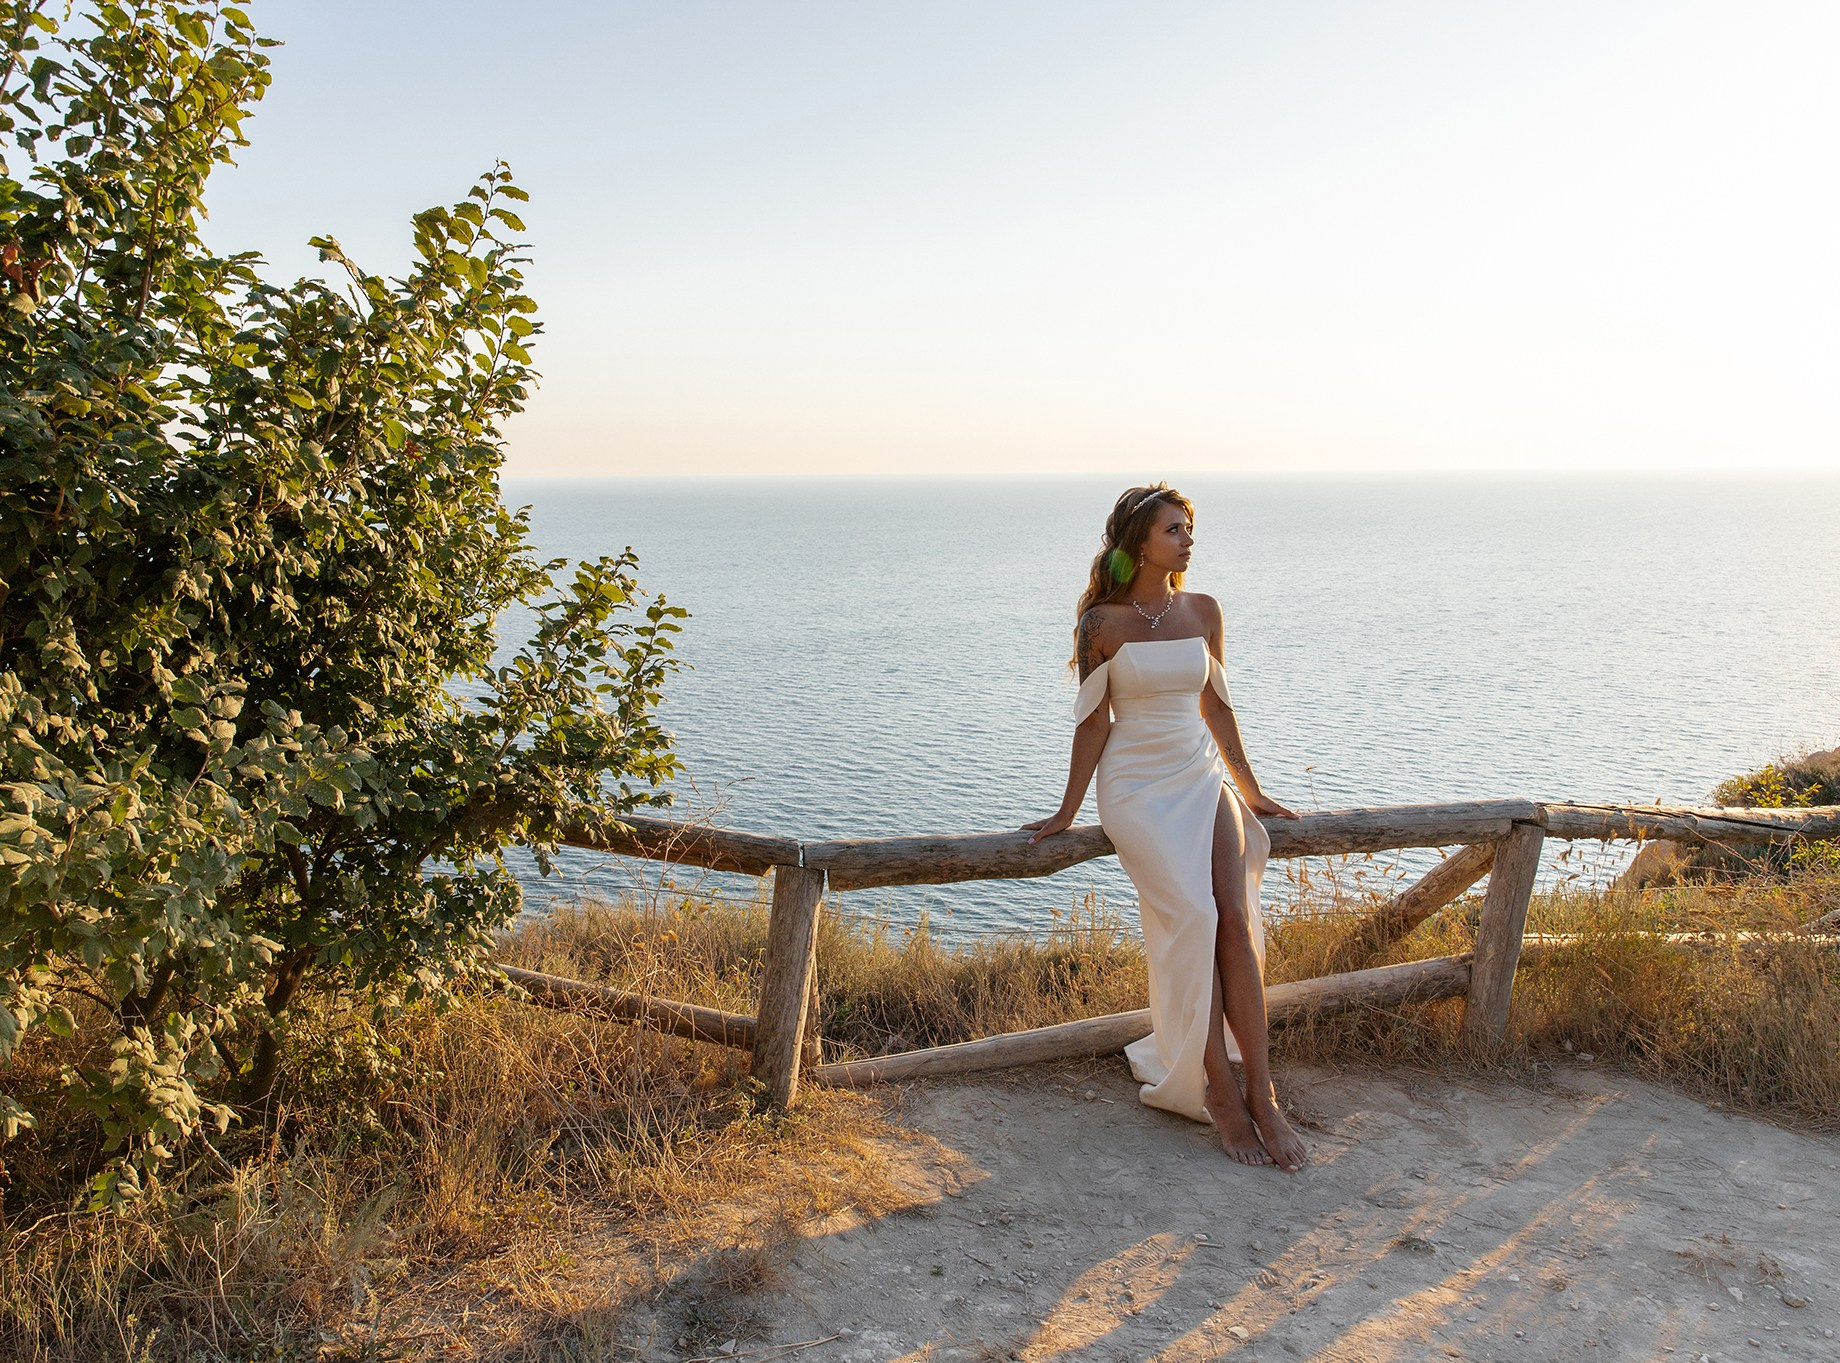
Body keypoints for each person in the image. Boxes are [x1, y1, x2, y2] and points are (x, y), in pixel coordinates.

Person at [1023, 483, 1308, 1171]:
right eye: (1174, 529)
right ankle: (1218, 1092)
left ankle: (1262, 1093)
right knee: (1194, 915)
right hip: (1135, 784)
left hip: (1200, 772)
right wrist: (1068, 810)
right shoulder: (1103, 623)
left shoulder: (1204, 611)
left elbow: (1217, 707)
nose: (1187, 539)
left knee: (1234, 917)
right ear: (1138, 542)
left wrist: (1252, 789)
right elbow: (1095, 722)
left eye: (1189, 528)